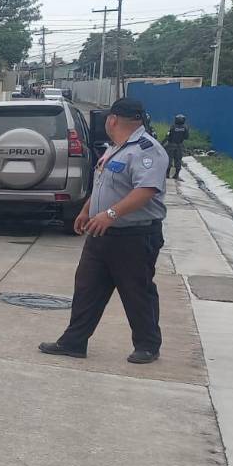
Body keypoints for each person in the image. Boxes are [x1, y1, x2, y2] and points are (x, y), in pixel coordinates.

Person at [39, 97, 170, 364]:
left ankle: (147, 345)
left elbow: (145, 190)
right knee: (87, 287)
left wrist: (111, 214)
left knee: (137, 291)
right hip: (101, 234)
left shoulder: (147, 150)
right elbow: (103, 185)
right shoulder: (115, 149)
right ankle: (74, 341)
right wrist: (87, 210)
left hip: (134, 236)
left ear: (112, 120)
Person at [165, 114, 190, 179]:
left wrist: (163, 143)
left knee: (169, 159)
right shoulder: (185, 127)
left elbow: (168, 136)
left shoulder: (173, 127)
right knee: (178, 160)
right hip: (179, 145)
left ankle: (167, 174)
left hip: (171, 145)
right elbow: (186, 137)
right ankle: (176, 175)